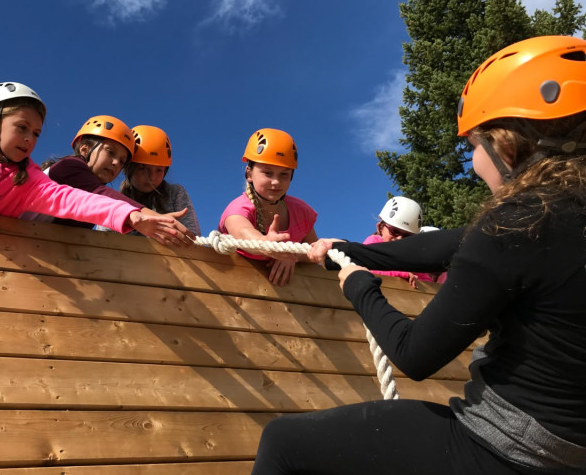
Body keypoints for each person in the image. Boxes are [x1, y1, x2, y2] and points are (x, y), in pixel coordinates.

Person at [249, 35, 586, 474]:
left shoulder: (516, 222)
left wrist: (360, 287)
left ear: (505, 143)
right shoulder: (559, 214)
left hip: (507, 452)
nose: (474, 162)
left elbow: (414, 355)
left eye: (472, 146)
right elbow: (448, 245)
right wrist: (347, 251)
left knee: (283, 441)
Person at [0, 82, 191, 247]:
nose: (29, 139)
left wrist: (132, 216)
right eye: (22, 127)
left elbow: (71, 199)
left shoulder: (27, 178)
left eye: (36, 133)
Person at [27, 115, 192, 237]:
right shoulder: (69, 167)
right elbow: (101, 195)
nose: (115, 163)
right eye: (110, 152)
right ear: (84, 149)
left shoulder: (94, 198)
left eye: (121, 161)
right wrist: (156, 218)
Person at [219, 128, 318, 286]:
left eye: (284, 174)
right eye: (268, 173)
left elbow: (314, 252)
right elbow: (244, 233)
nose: (276, 182)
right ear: (249, 174)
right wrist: (265, 243)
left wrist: (292, 255)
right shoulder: (237, 210)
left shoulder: (301, 211)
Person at [119, 124, 201, 235]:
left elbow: (192, 237)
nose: (152, 177)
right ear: (128, 168)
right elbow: (103, 239)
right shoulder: (115, 201)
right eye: (143, 168)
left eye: (159, 170)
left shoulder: (175, 193)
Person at [363, 196, 435, 288]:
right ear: (380, 228)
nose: (400, 238)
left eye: (407, 236)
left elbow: (428, 282)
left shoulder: (411, 257)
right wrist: (402, 274)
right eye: (395, 231)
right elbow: (366, 268)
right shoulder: (374, 243)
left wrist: (418, 282)